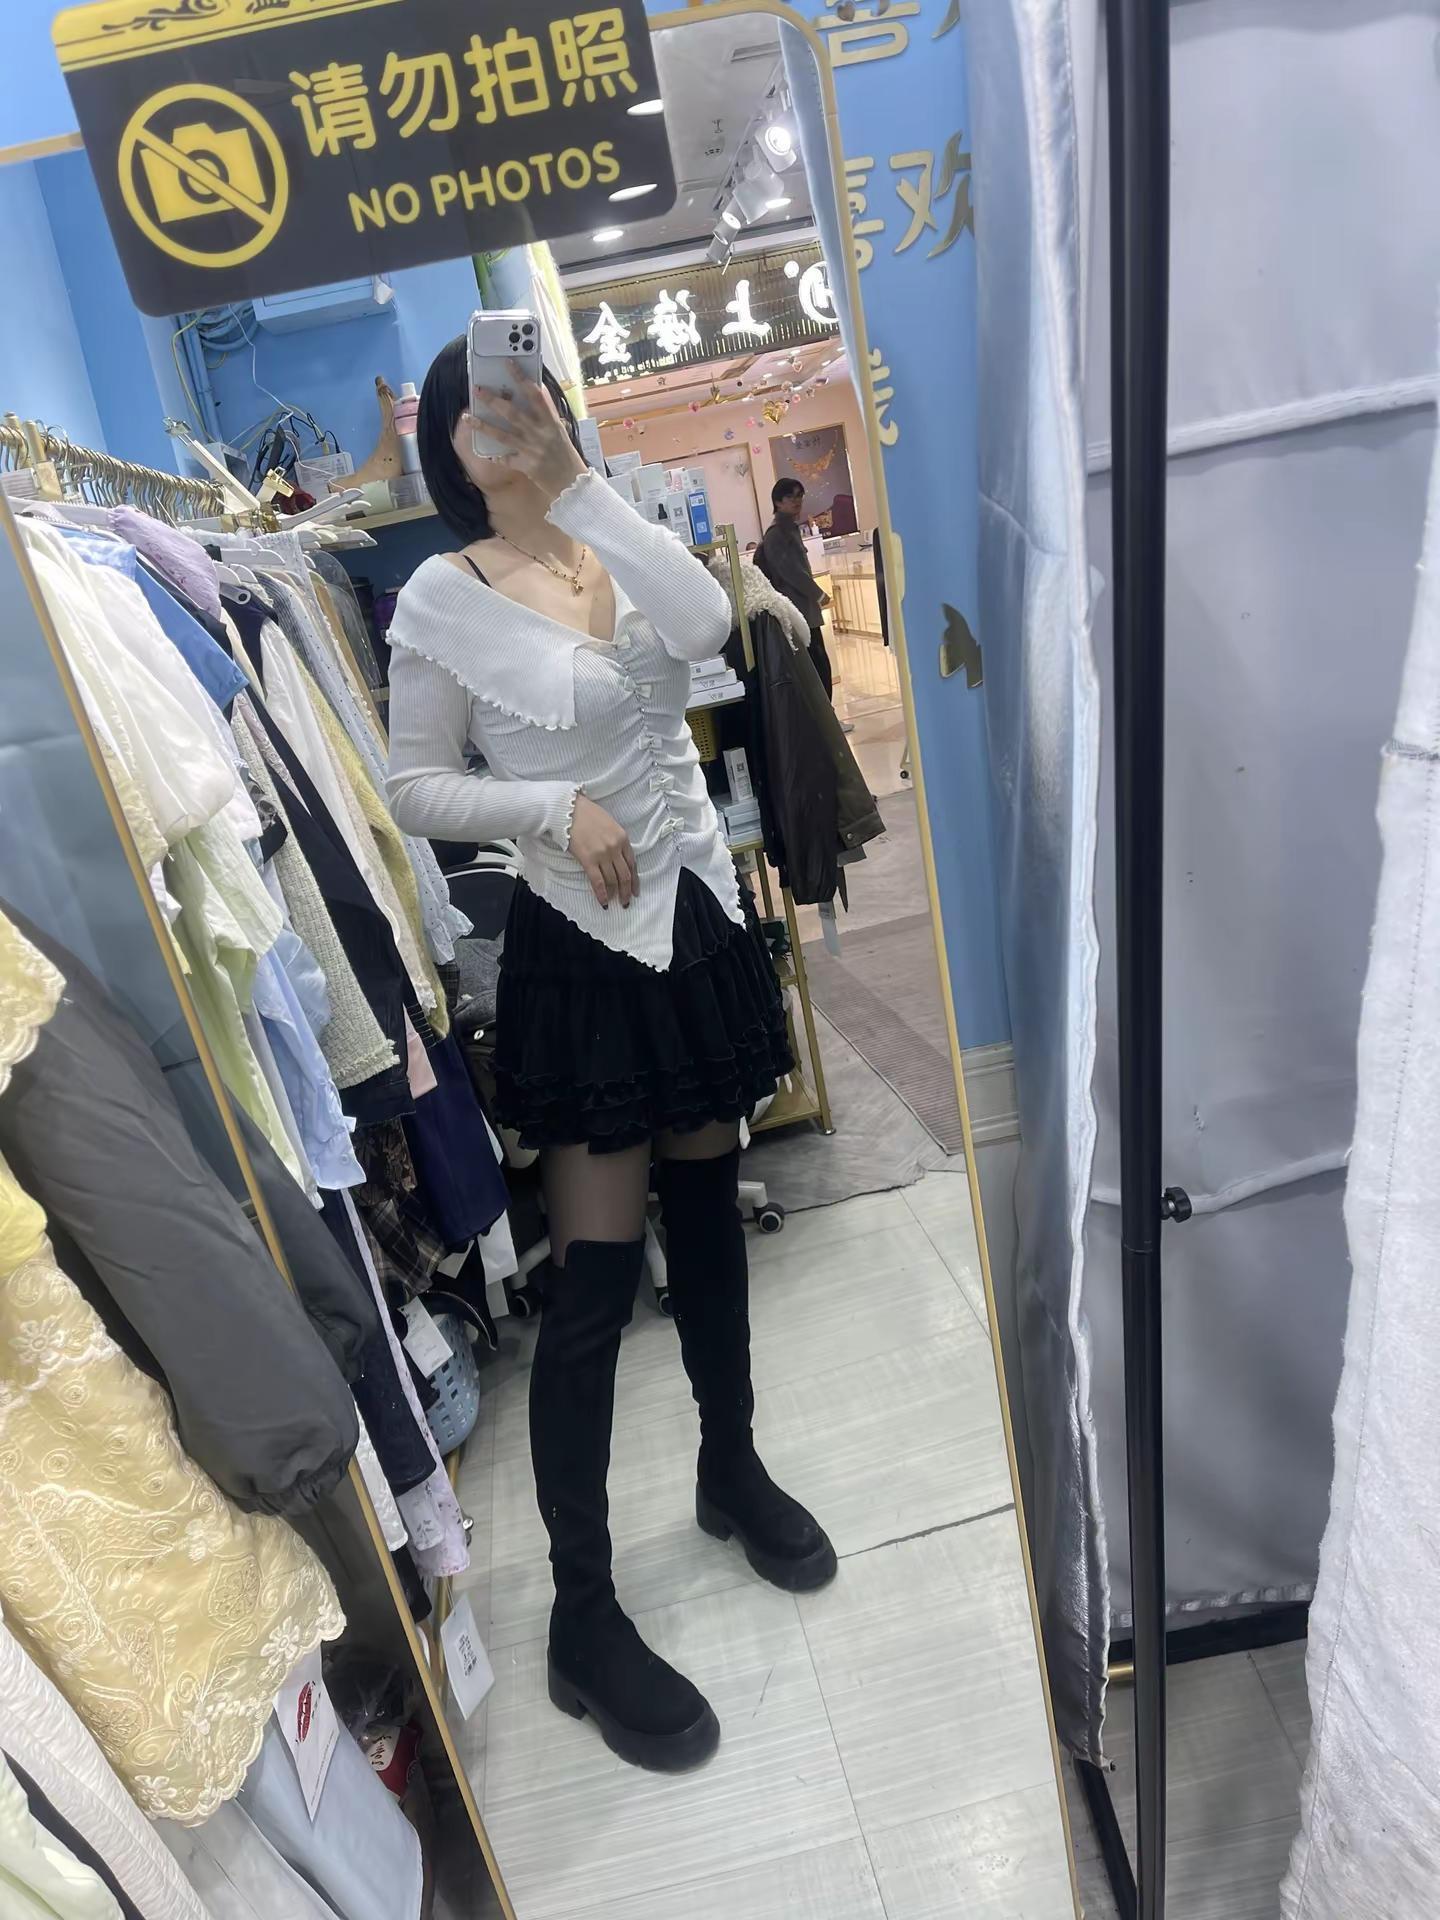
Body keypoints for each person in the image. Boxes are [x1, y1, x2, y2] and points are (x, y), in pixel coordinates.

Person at [385, 339, 836, 1775]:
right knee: (590, 1285)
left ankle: (730, 1467)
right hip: (581, 949)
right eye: (484, 413)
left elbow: (706, 629)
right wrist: (548, 811)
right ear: (448, 444)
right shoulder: (440, 598)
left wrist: (581, 488)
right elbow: (409, 787)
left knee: (708, 1223)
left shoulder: (615, 535)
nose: (512, 426)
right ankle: (582, 1616)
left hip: (691, 917)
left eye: (531, 402)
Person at [755, 477, 834, 700]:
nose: (797, 501)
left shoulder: (790, 529)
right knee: (815, 668)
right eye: (790, 496)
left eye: (800, 496)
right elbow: (792, 572)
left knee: (819, 665)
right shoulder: (777, 534)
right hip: (797, 613)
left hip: (804, 611)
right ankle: (822, 715)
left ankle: (826, 713)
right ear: (778, 502)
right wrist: (818, 594)